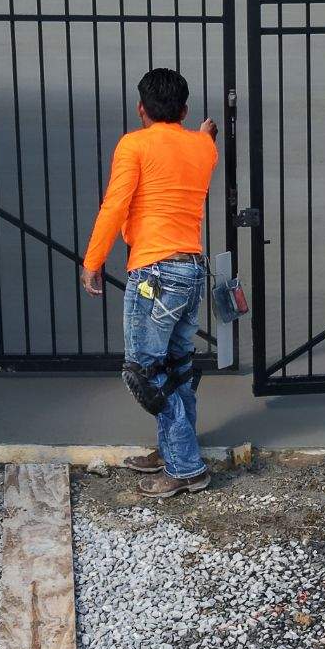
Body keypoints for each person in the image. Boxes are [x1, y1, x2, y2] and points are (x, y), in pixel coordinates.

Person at [82, 68, 219, 498]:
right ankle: (173, 451)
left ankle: (186, 467)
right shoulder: (203, 147)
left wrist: (93, 261)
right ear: (184, 109)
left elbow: (115, 204)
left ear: (141, 109)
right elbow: (201, 142)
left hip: (155, 274)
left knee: (142, 373)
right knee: (175, 369)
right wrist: (204, 132)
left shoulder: (134, 145)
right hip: (193, 270)